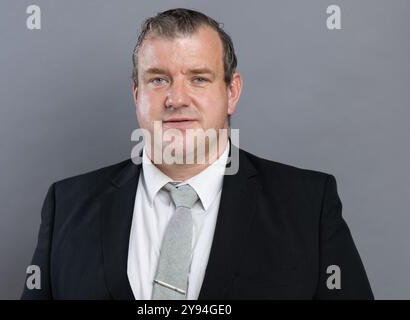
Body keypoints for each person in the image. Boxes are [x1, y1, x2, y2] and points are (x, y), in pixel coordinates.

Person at [21, 8, 373, 300]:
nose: (176, 99)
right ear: (136, 93)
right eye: (158, 79)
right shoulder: (67, 205)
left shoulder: (308, 206)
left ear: (232, 91)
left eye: (199, 79)